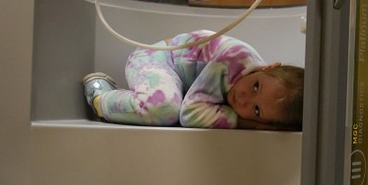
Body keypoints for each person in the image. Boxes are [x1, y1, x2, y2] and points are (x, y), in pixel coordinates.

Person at [82, 31, 304, 131]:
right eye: (256, 86)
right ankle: (101, 98)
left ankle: (130, 99)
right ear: (269, 66)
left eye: (256, 110)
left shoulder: (251, 85)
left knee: (170, 106)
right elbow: (189, 115)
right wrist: (248, 122)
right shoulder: (231, 58)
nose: (245, 99)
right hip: (154, 58)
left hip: (176, 82)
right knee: (165, 108)